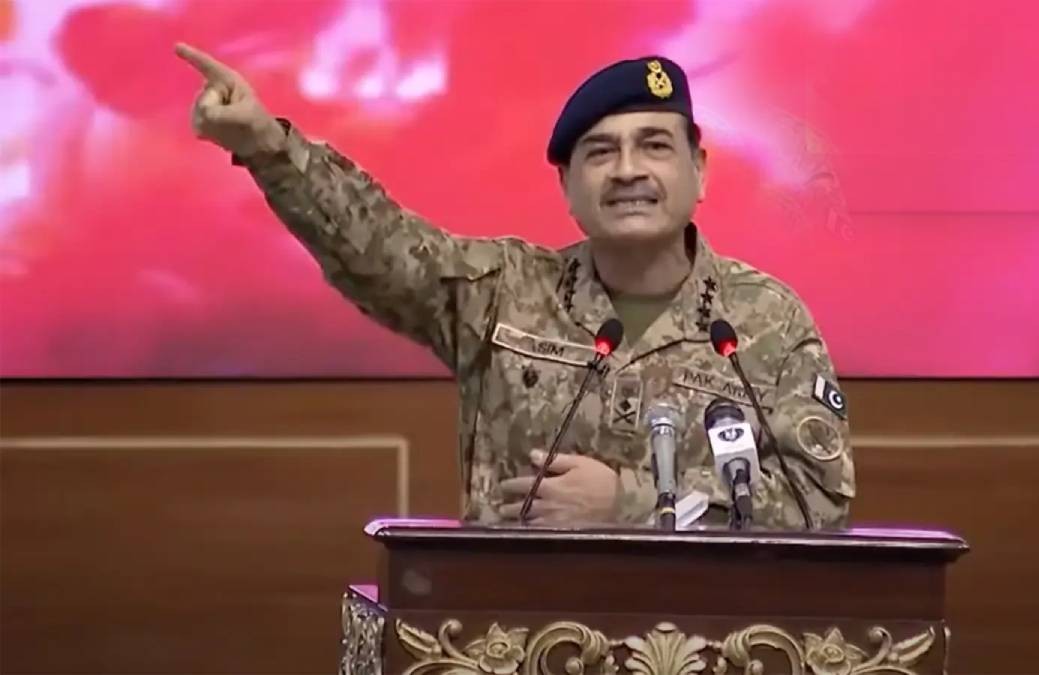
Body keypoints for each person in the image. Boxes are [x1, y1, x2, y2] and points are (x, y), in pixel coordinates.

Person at [175, 43, 855, 530]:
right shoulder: (503, 293)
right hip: (514, 636)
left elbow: (818, 500)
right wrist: (267, 146)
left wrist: (631, 504)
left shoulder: (765, 321)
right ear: (566, 185)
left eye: (654, 145)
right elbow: (376, 245)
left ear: (698, 169)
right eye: (600, 152)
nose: (627, 170)